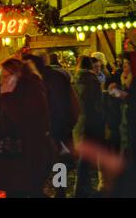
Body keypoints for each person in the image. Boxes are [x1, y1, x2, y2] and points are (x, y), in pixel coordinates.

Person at [0, 58, 54, 198]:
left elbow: (25, 120)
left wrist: (7, 97)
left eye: (7, 76)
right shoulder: (13, 89)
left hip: (27, 153)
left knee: (27, 191)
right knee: (17, 191)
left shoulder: (32, 88)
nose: (3, 80)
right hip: (13, 152)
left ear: (17, 74)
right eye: (3, 76)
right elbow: (6, 121)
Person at [23, 53, 77, 197]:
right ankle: (60, 192)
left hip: (50, 129)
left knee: (44, 167)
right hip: (62, 127)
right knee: (60, 164)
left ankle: (43, 191)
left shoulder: (37, 82)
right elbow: (71, 100)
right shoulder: (60, 76)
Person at [72, 55, 105, 197]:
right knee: (85, 157)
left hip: (79, 120)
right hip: (90, 121)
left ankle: (80, 186)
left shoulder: (74, 80)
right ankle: (81, 188)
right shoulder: (92, 81)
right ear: (90, 66)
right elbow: (97, 104)